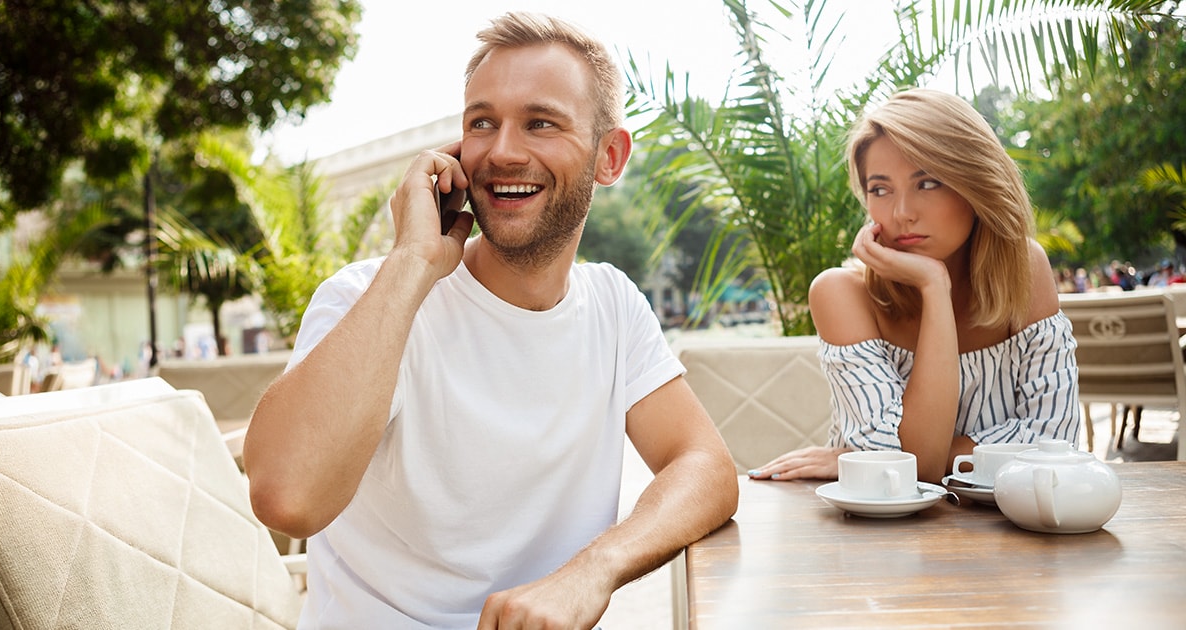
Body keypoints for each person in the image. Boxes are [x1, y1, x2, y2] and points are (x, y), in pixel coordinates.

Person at [242, 12, 738, 629]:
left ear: (609, 156)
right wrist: (413, 261)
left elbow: (706, 467)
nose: (502, 151)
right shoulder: (367, 298)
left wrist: (591, 573)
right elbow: (286, 498)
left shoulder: (612, 304)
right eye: (482, 123)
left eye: (540, 123)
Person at [748, 89, 1080, 484]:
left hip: (1014, 528)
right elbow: (918, 468)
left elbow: (1055, 442)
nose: (902, 213)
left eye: (927, 183)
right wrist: (933, 285)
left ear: (975, 181)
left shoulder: (1024, 270)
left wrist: (886, 456)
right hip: (880, 534)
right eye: (880, 189)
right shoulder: (842, 294)